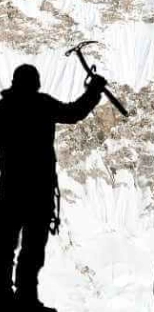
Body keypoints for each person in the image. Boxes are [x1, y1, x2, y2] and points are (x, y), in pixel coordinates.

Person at [0, 64, 107, 312]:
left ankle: (5, 295)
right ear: (36, 84)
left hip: (11, 190)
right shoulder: (43, 105)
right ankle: (26, 298)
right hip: (39, 191)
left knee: (6, 247)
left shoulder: (4, 108)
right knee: (32, 250)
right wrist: (93, 90)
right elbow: (75, 112)